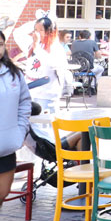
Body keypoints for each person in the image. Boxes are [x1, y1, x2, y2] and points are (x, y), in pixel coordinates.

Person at [0, 29, 32, 208]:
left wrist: (19, 132)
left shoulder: (13, 73)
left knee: (2, 194)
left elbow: (24, 103)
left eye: (1, 44)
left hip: (6, 148)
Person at [23, 15, 70, 113]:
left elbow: (52, 63)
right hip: (31, 91)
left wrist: (36, 47)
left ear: (49, 31)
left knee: (46, 123)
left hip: (47, 93)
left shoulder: (56, 47)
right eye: (35, 29)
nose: (36, 33)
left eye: (40, 30)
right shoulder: (34, 45)